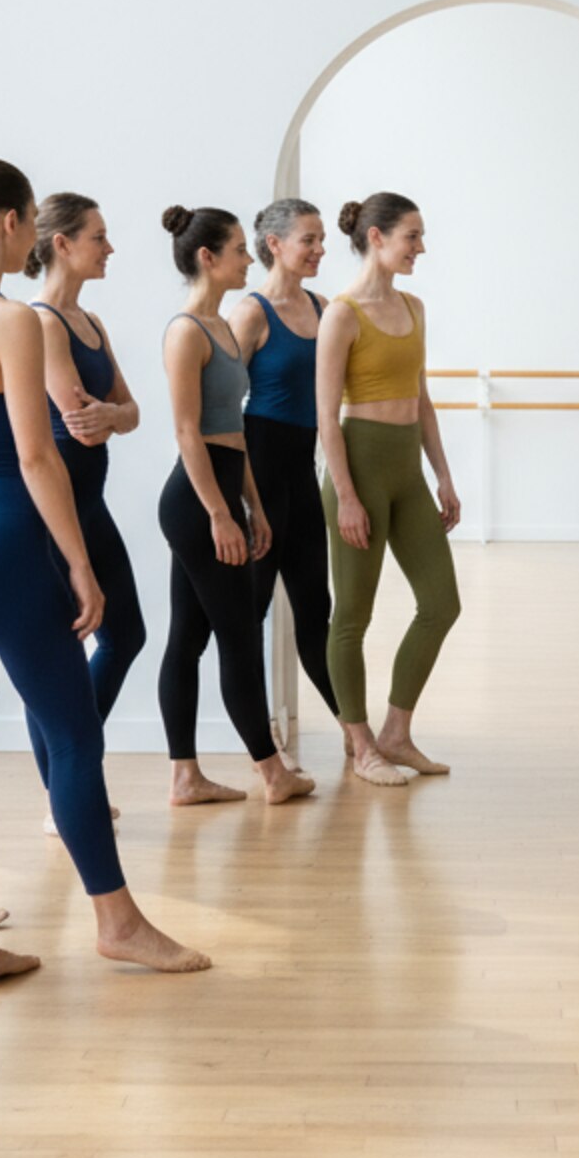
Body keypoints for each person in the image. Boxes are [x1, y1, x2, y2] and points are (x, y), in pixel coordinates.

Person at [0, 152, 208, 987]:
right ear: (9, 225)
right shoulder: (6, 319)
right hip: (0, 539)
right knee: (72, 737)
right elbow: (40, 460)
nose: (33, 232)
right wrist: (77, 563)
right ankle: (118, 922)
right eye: (30, 219)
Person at [156, 205, 316, 807]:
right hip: (196, 500)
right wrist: (220, 514)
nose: (249, 259)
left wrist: (253, 504)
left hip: (225, 488)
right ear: (208, 257)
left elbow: (234, 430)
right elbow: (187, 432)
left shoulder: (223, 326)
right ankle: (273, 774)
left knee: (191, 637)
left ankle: (185, 777)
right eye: (240, 250)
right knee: (238, 637)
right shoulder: (184, 332)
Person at [315, 192, 462, 785]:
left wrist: (443, 474)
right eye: (412, 235)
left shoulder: (415, 307)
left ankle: (396, 734)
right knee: (352, 615)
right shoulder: (342, 314)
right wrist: (347, 495)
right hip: (360, 468)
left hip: (406, 471)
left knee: (441, 602)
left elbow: (421, 398)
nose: (420, 247)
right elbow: (326, 417)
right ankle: (361, 744)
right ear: (376, 237)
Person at [24, 193, 148, 832]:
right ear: (63, 244)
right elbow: (84, 423)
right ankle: (65, 789)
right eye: (99, 236)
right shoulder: (41, 323)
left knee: (126, 634)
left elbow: (128, 412)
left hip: (91, 503)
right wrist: (112, 417)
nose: (110, 248)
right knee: (60, 656)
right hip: (53, 514)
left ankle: (70, 773)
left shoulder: (91, 323)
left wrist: (115, 415)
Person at [229, 199, 341, 755]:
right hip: (258, 473)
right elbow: (220, 406)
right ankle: (260, 743)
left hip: (302, 471)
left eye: (322, 240)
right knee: (250, 614)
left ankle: (354, 731)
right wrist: (242, 501)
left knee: (316, 608)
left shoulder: (324, 308)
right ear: (274, 244)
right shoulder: (250, 313)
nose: (320, 249)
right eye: (309, 240)